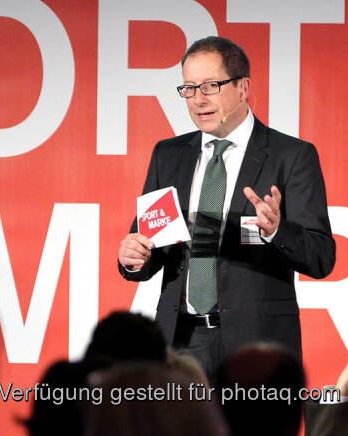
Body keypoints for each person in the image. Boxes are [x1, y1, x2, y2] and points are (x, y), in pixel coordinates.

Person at [117, 36, 335, 378]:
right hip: (181, 343)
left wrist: (277, 231)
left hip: (258, 347)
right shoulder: (168, 155)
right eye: (188, 89)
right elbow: (152, 245)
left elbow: (322, 258)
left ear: (243, 87)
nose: (198, 100)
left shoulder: (291, 156)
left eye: (210, 86)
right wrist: (135, 257)